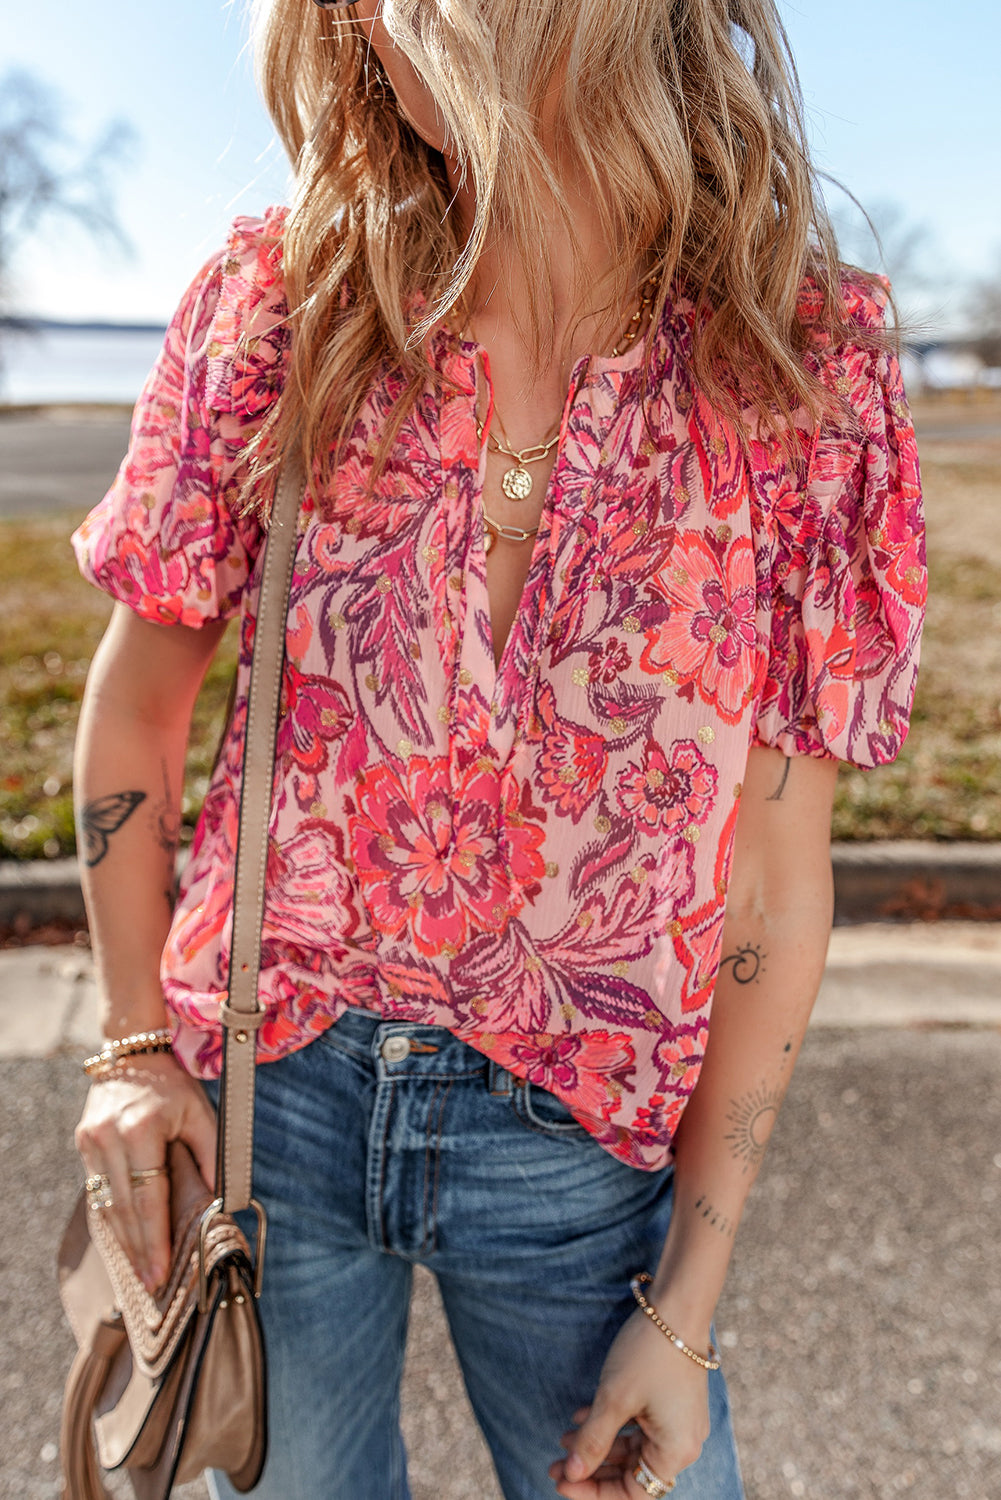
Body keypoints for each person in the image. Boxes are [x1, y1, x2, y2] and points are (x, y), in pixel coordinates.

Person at [70, 1, 926, 1495]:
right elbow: (135, 711)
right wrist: (136, 1047)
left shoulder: (799, 369)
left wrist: (688, 1308)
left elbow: (773, 890)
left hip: (580, 1159)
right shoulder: (281, 308)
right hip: (270, 1107)